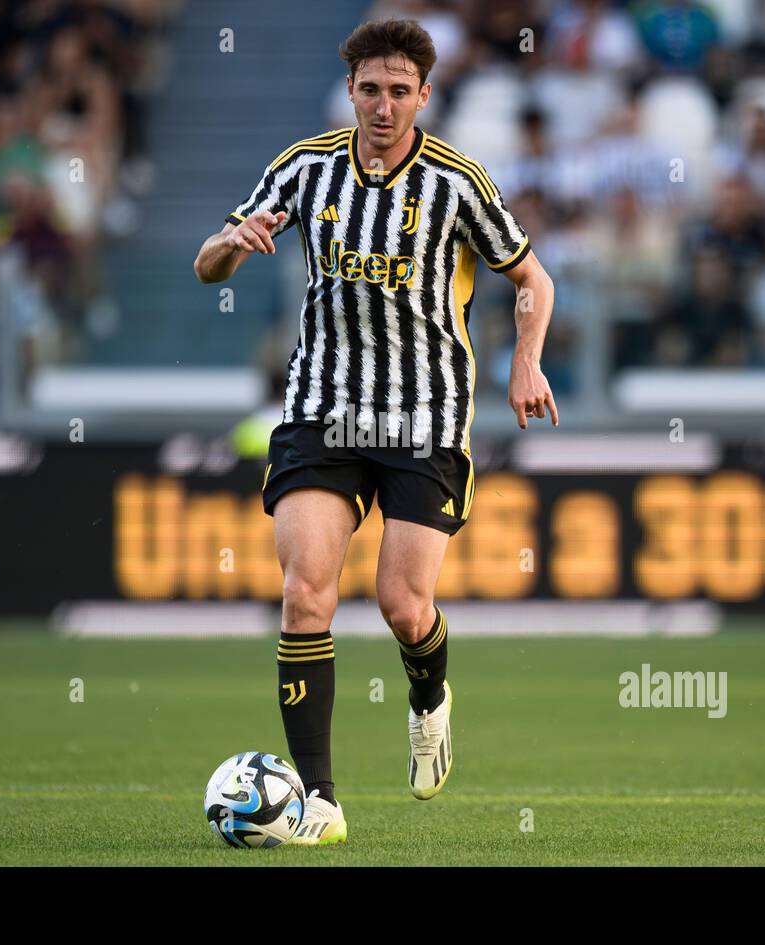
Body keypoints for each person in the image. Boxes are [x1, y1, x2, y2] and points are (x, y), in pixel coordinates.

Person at [193, 18, 559, 846]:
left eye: (400, 91)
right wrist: (230, 243)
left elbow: (532, 277)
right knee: (304, 595)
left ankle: (429, 697)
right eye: (371, 90)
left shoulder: (458, 183)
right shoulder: (304, 168)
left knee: (401, 602)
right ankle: (319, 800)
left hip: (424, 413)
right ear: (351, 92)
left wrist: (527, 361)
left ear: (424, 95)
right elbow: (208, 262)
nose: (385, 105)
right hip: (322, 406)